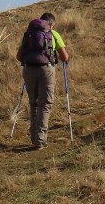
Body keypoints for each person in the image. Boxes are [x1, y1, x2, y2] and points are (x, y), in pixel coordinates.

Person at [14, 11, 70, 150]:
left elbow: (19, 56)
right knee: (45, 104)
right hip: (46, 70)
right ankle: (39, 140)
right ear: (51, 24)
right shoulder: (53, 34)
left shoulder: (29, 34)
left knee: (33, 104)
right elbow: (64, 57)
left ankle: (34, 137)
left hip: (28, 70)